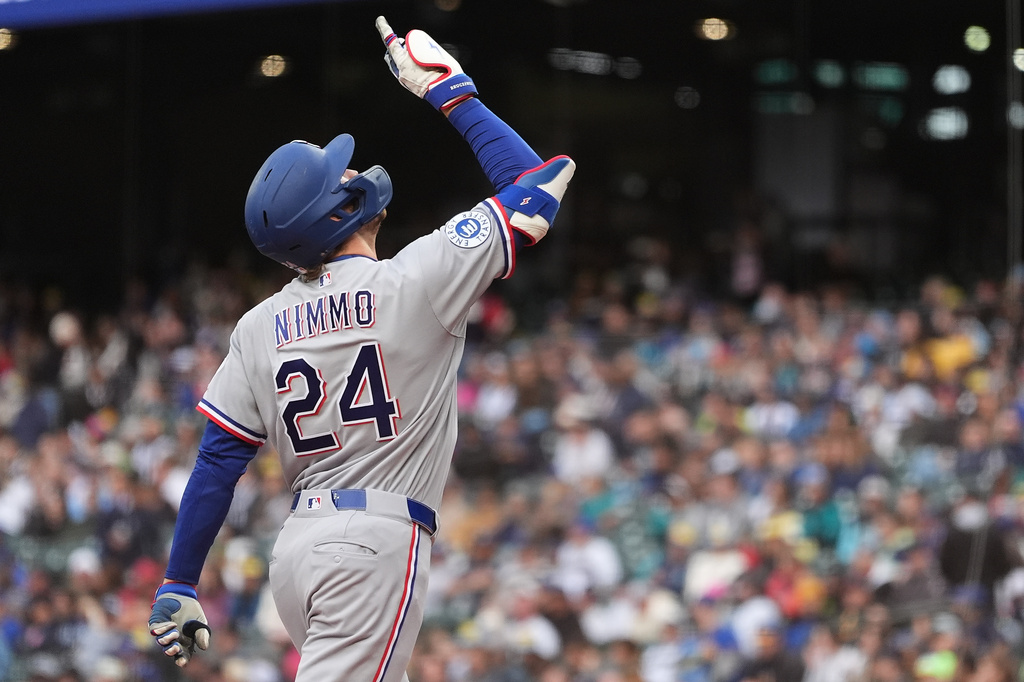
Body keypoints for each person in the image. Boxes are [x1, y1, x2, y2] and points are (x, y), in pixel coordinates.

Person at [146, 15, 575, 682]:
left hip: (301, 550)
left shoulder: (259, 324)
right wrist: (453, 94)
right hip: (371, 542)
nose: (350, 169)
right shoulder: (414, 280)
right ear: (338, 210)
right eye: (335, 173)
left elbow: (219, 457)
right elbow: (541, 184)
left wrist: (179, 578)